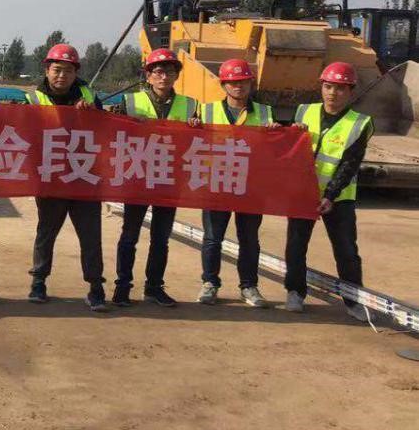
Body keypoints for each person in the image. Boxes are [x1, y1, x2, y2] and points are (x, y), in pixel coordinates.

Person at [283, 62, 373, 322]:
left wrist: (330, 195)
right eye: (328, 86)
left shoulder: (359, 123)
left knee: (346, 251)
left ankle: (353, 300)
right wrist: (290, 132)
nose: (333, 93)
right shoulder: (304, 111)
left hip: (339, 198)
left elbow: (349, 165)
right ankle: (295, 292)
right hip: (302, 194)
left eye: (340, 88)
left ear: (351, 91)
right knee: (296, 246)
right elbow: (287, 147)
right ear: (321, 87)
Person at [112, 47, 200, 308]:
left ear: (176, 76)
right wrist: (127, 123)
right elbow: (110, 132)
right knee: (130, 236)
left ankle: (154, 288)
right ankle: (122, 287)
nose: (164, 76)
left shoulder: (191, 105)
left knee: (161, 238)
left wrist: (196, 128)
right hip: (137, 177)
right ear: (148, 75)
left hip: (169, 179)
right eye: (158, 71)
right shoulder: (129, 102)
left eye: (170, 71)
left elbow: (200, 140)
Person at [25, 44, 111, 312]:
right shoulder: (33, 99)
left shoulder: (89, 96)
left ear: (76, 73)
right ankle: (38, 282)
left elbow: (106, 130)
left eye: (68, 71)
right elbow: (23, 135)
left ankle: (96, 287)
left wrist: (92, 114)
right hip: (51, 177)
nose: (62, 76)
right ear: (47, 70)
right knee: (46, 232)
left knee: (90, 235)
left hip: (84, 175)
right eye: (57, 70)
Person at [197, 59, 272, 308]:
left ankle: (249, 286)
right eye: (233, 82)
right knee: (212, 238)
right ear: (223, 85)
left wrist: (277, 131)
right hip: (217, 183)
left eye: (243, 81)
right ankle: (210, 283)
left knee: (249, 239)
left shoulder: (265, 113)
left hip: (250, 185)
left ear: (251, 83)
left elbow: (274, 147)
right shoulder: (205, 111)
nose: (238, 86)